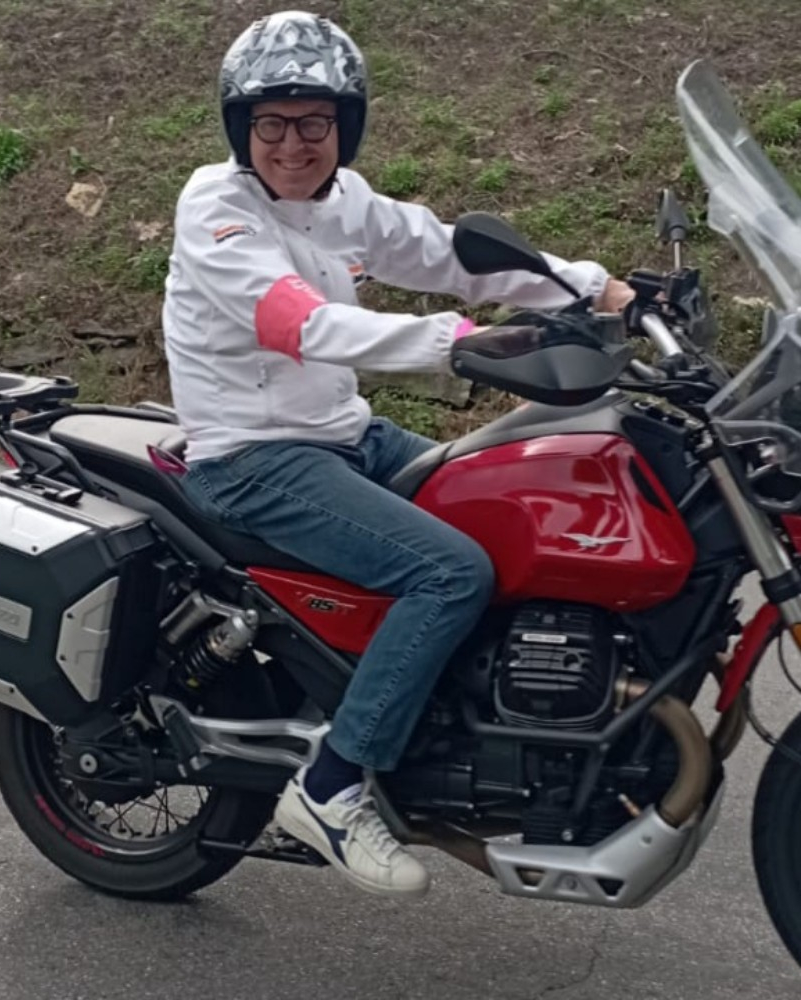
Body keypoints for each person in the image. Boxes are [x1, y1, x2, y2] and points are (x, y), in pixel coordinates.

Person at [161, 10, 633, 899]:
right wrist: (459, 343)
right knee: (451, 572)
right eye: (271, 122)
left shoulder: (343, 200)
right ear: (240, 128)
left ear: (346, 126)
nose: (293, 143)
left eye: (314, 121)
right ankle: (332, 786)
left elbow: (453, 254)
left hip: (346, 436)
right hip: (252, 459)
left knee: (515, 511)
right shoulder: (215, 208)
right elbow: (300, 323)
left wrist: (600, 288)